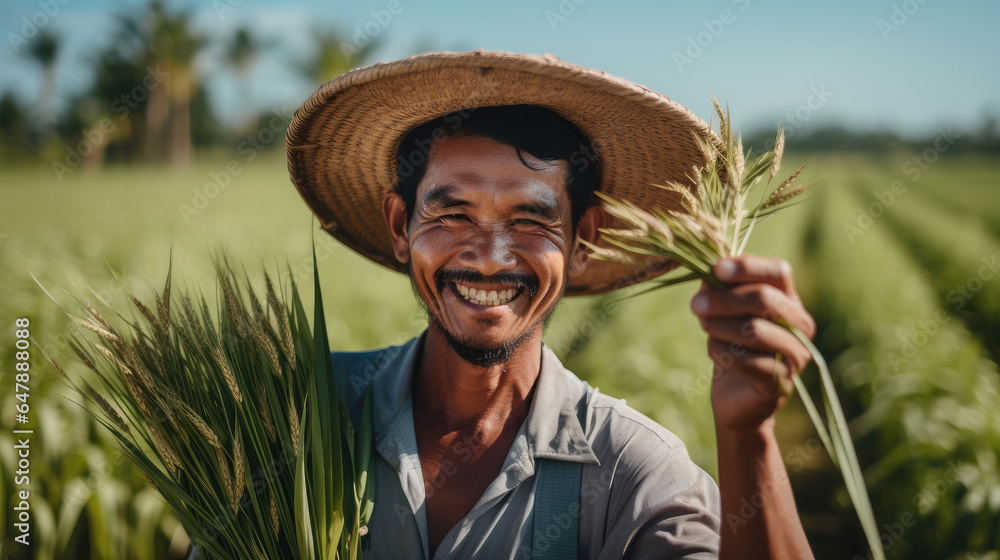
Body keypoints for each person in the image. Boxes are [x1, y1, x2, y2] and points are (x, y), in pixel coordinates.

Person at [284, 50, 818, 559]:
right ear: (402, 227)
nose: (491, 260)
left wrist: (749, 435)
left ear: (582, 241)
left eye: (530, 220)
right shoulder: (298, 413)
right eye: (454, 215)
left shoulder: (633, 474)